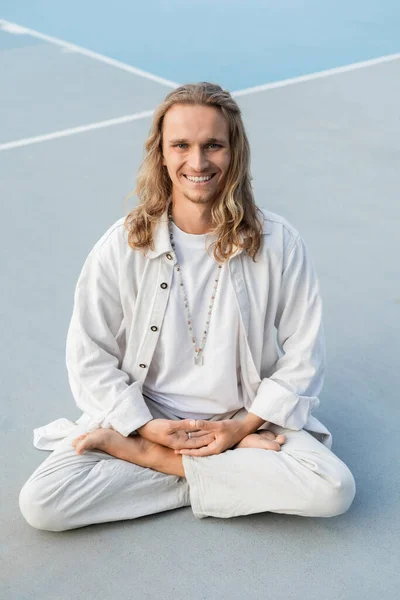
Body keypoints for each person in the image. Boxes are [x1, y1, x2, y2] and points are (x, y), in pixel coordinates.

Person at [19, 82, 355, 531]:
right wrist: (143, 428)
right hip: (150, 416)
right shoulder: (121, 245)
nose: (197, 163)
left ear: (234, 152)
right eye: (181, 145)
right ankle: (226, 475)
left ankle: (149, 463)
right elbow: (88, 357)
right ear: (161, 152)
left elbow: (303, 355)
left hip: (244, 418)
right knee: (42, 504)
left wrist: (238, 431)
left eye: (213, 145)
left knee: (332, 488)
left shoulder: (280, 243)